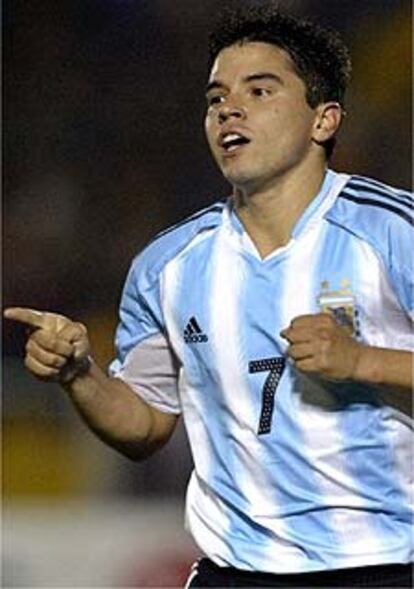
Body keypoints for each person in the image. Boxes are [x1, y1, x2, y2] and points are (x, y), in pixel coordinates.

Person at [5, 4, 413, 587]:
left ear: (324, 120)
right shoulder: (167, 265)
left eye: (260, 89)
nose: (230, 109)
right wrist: (79, 374)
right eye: (216, 97)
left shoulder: (394, 232)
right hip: (233, 569)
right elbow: (145, 425)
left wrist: (362, 360)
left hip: (384, 564)